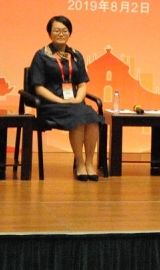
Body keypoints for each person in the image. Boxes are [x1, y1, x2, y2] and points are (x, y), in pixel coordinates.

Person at [26, 15, 104, 181]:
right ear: (49, 34)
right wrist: (61, 101)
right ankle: (80, 164)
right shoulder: (42, 55)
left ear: (70, 33)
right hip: (51, 104)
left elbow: (82, 83)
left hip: (74, 104)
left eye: (64, 30)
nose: (61, 34)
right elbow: (38, 88)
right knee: (78, 117)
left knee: (92, 117)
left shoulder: (76, 55)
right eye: (56, 30)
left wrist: (77, 99)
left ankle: (90, 163)